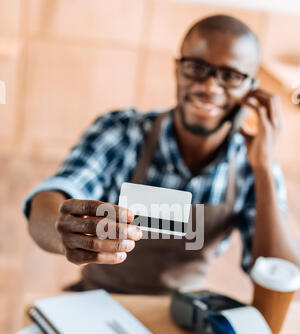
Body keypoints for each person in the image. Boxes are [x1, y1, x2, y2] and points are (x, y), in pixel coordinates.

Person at [23, 15, 300, 294]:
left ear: (251, 88)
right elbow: (50, 198)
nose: (209, 87)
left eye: (230, 76)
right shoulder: (123, 132)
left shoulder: (251, 164)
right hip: (98, 299)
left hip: (181, 314)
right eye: (196, 67)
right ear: (177, 70)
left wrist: (263, 168)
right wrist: (63, 232)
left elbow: (284, 277)